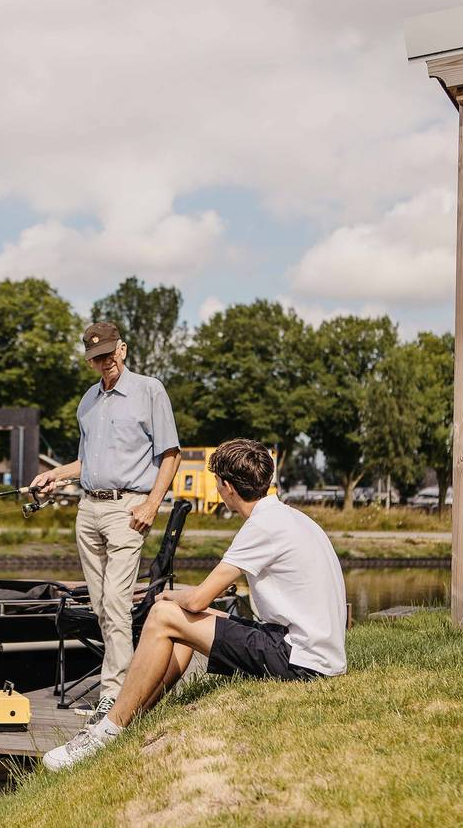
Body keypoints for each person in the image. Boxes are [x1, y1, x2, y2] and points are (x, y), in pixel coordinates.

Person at [43, 438, 347, 771]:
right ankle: (132, 718)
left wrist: (170, 596)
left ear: (227, 487)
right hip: (314, 653)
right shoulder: (291, 517)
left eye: (217, 483)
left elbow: (201, 596)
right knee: (183, 618)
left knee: (163, 614)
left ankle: (104, 733)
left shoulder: (262, 526)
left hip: (299, 662)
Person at [30, 321, 182, 726]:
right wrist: (54, 476)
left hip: (128, 509)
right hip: (88, 510)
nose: (103, 362)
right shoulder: (88, 402)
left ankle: (114, 697)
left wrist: (152, 504)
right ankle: (126, 683)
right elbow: (87, 463)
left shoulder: (150, 390)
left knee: (116, 604)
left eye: (108, 354)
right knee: (101, 607)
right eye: (95, 358)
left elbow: (171, 454)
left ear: (123, 350)